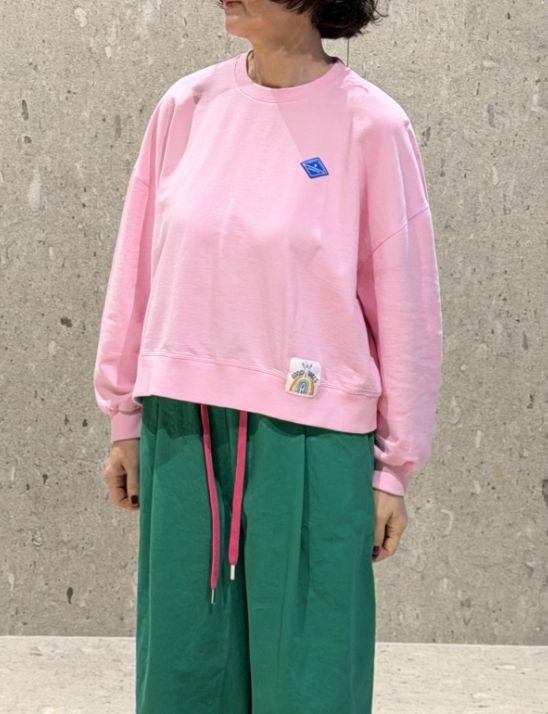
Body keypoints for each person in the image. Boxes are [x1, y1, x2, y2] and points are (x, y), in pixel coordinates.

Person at [93, 1, 443, 712]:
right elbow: (138, 269)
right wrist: (125, 416)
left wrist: (394, 467)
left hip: (313, 439)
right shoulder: (187, 107)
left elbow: (405, 305)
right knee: (184, 672)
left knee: (311, 676)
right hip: (180, 428)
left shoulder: (371, 125)